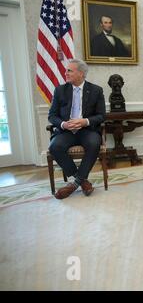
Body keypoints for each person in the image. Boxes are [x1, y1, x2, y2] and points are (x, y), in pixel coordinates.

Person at [48, 59, 106, 199]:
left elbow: (101, 116)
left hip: (87, 130)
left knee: (94, 143)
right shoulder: (60, 90)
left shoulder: (96, 90)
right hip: (67, 131)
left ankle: (73, 184)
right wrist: (64, 124)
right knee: (55, 146)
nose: (65, 73)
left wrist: (84, 121)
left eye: (69, 70)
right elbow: (52, 116)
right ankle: (82, 180)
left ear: (81, 73)